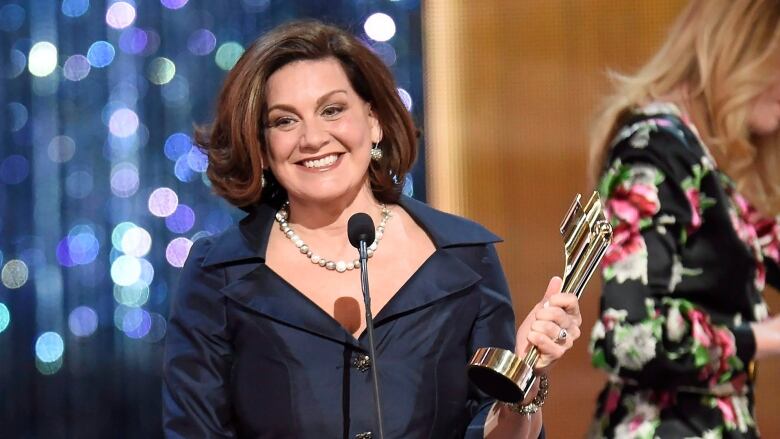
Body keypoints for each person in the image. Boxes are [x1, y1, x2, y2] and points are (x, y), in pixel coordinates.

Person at [162, 20, 582, 439]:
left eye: (332, 110)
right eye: (285, 121)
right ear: (263, 148)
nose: (312, 138)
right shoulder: (218, 274)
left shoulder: (464, 258)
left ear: (375, 120)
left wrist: (521, 382)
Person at [587, 1, 780, 437]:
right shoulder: (654, 149)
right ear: (739, 49)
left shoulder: (701, 160)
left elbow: (767, 246)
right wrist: (763, 336)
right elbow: (627, 337)